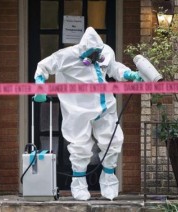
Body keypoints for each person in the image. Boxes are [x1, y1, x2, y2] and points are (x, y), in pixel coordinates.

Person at [33, 27, 142, 201]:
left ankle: (108, 181)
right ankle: (79, 184)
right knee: (80, 146)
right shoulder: (66, 55)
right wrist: (40, 85)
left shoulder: (106, 51)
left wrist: (129, 74)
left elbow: (114, 68)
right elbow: (43, 66)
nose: (94, 58)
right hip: (78, 110)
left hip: (105, 106)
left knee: (113, 141)